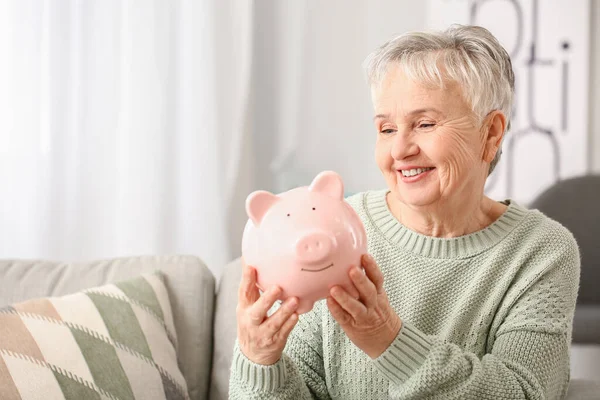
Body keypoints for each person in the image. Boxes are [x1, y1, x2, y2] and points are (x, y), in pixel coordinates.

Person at [228, 24, 580, 399]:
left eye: (425, 124)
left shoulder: (542, 252)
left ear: (491, 133)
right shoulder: (336, 232)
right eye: (387, 129)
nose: (399, 150)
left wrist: (388, 340)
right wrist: (259, 360)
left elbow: (524, 393)